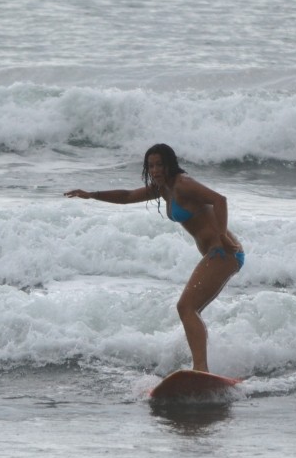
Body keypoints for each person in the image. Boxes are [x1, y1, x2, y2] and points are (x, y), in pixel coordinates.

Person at [65, 143, 244, 372]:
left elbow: (220, 200)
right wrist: (92, 195)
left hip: (225, 252)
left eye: (160, 165)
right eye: (151, 166)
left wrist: (220, 236)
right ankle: (204, 368)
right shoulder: (163, 189)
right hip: (215, 254)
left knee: (186, 307)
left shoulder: (183, 184)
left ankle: (201, 369)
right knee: (190, 309)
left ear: (170, 164)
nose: (155, 170)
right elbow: (127, 196)